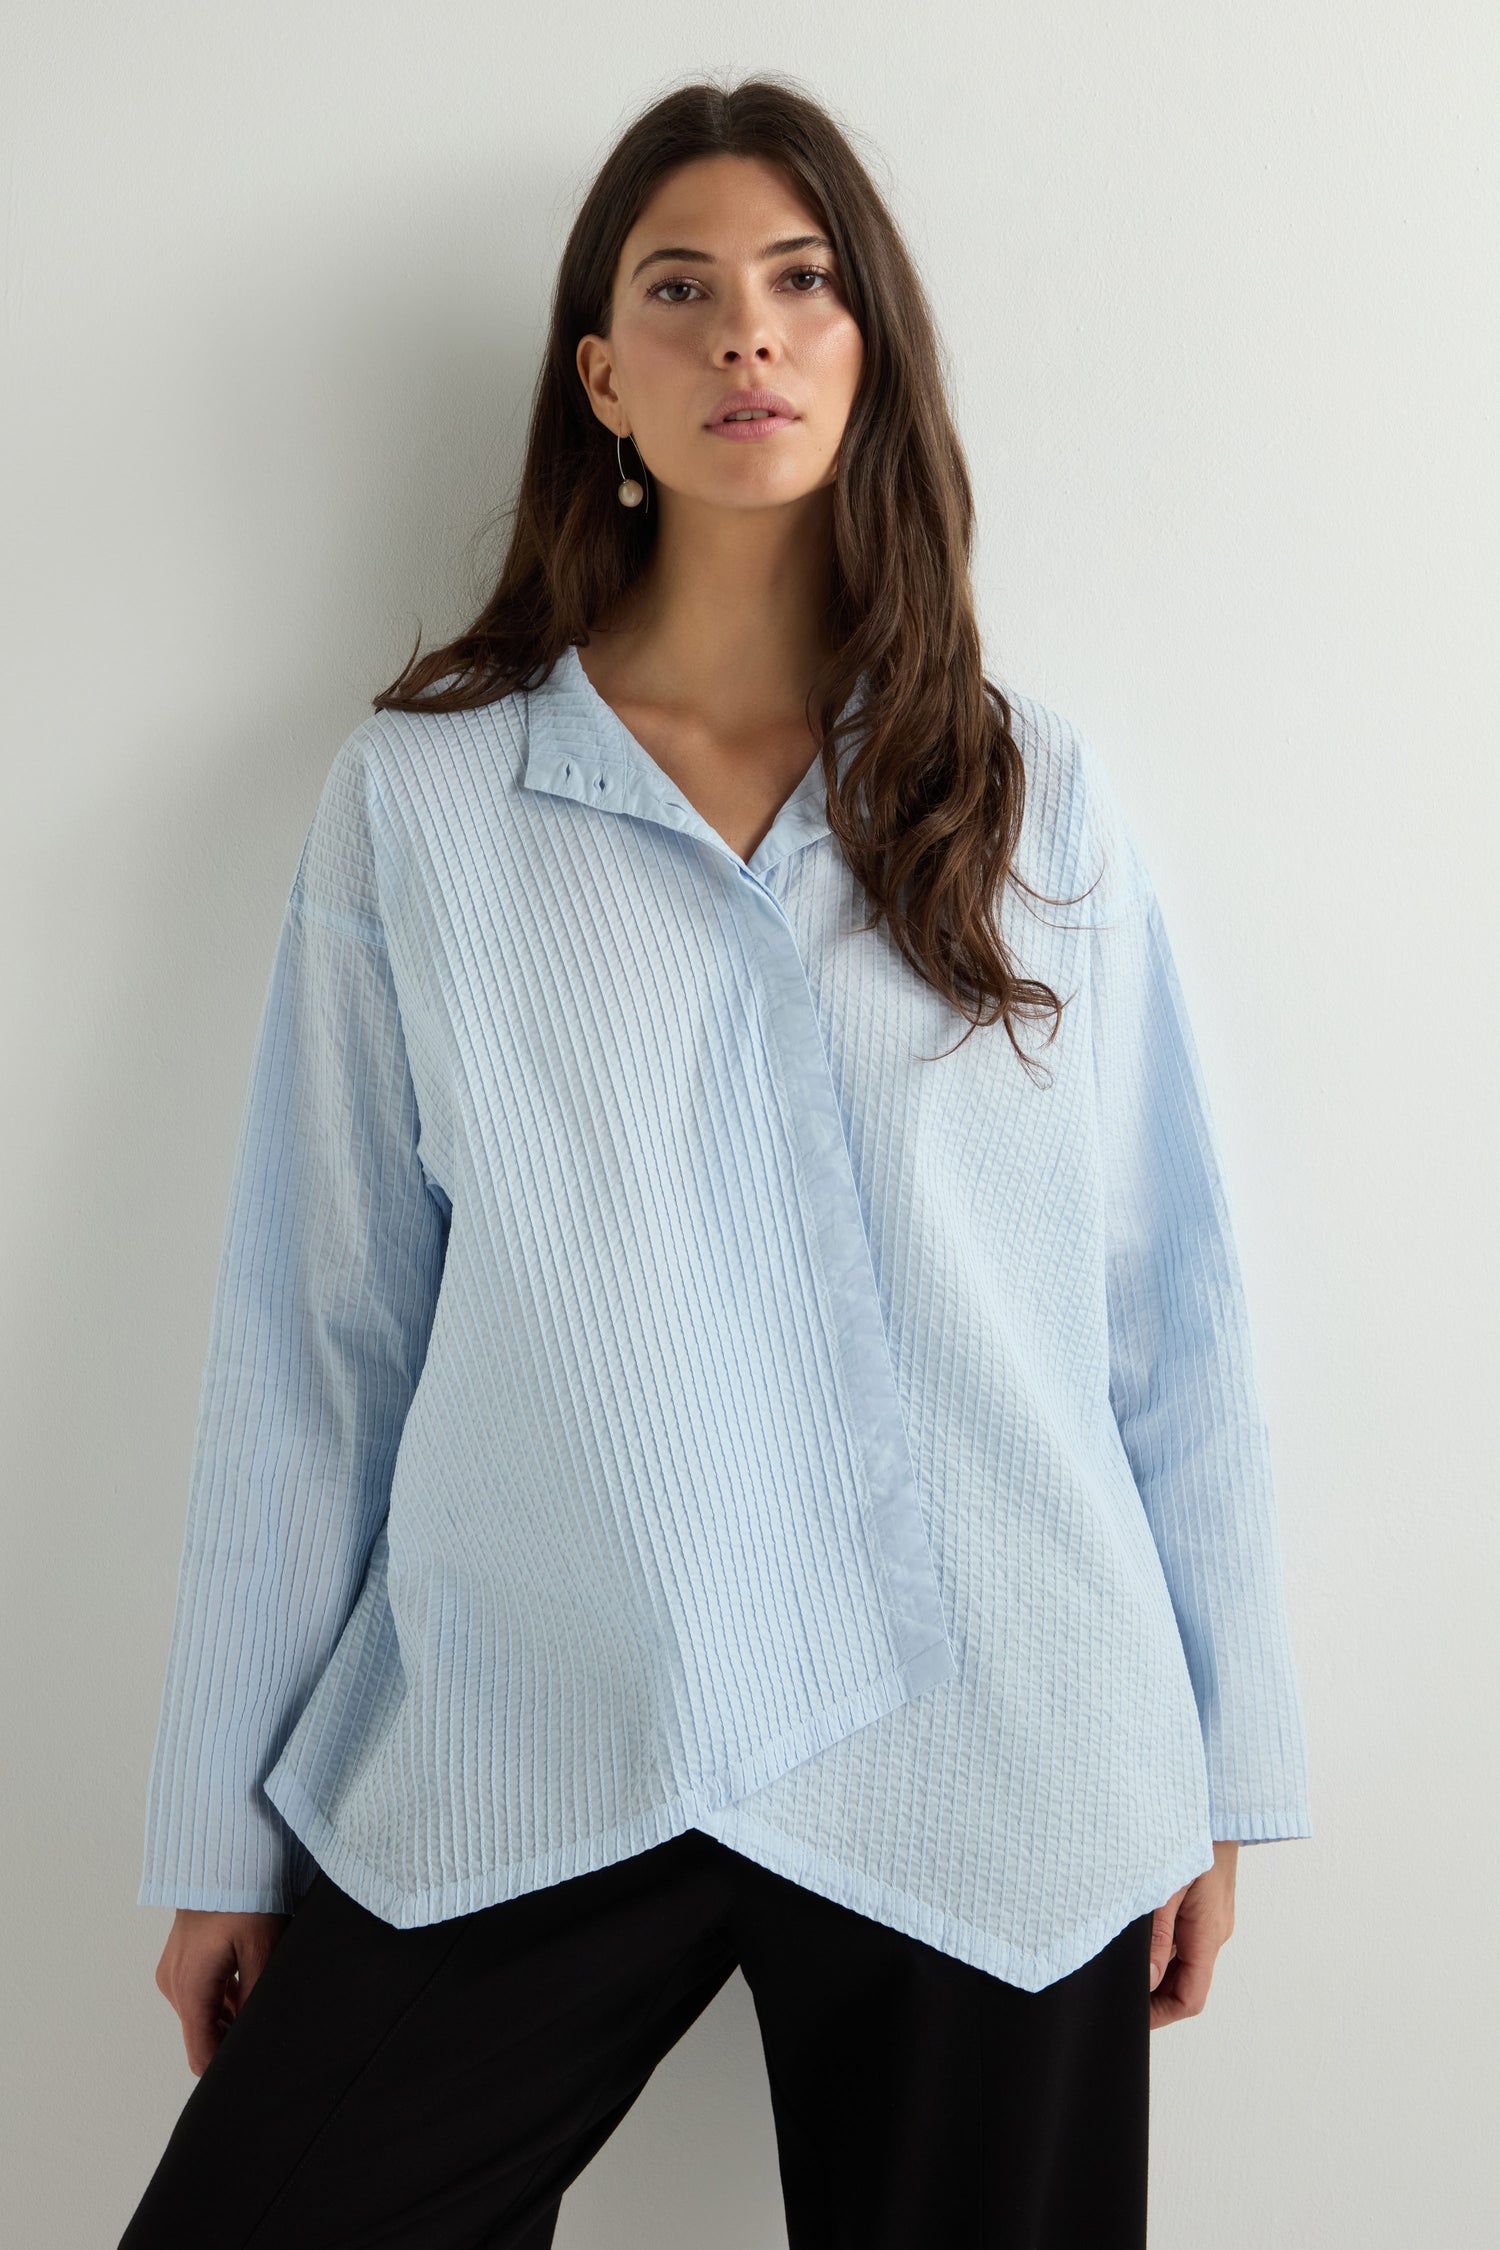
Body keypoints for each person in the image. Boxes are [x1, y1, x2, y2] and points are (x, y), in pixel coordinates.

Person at [120, 73, 1312, 2250]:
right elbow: (319, 1333)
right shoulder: (433, 805)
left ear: (869, 357)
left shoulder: (1032, 793)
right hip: (541, 1729)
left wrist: (1217, 1770)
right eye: (681, 292)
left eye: (800, 286)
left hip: (995, 1734)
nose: (744, 336)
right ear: (604, 381)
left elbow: (1168, 1302)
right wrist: (225, 1829)